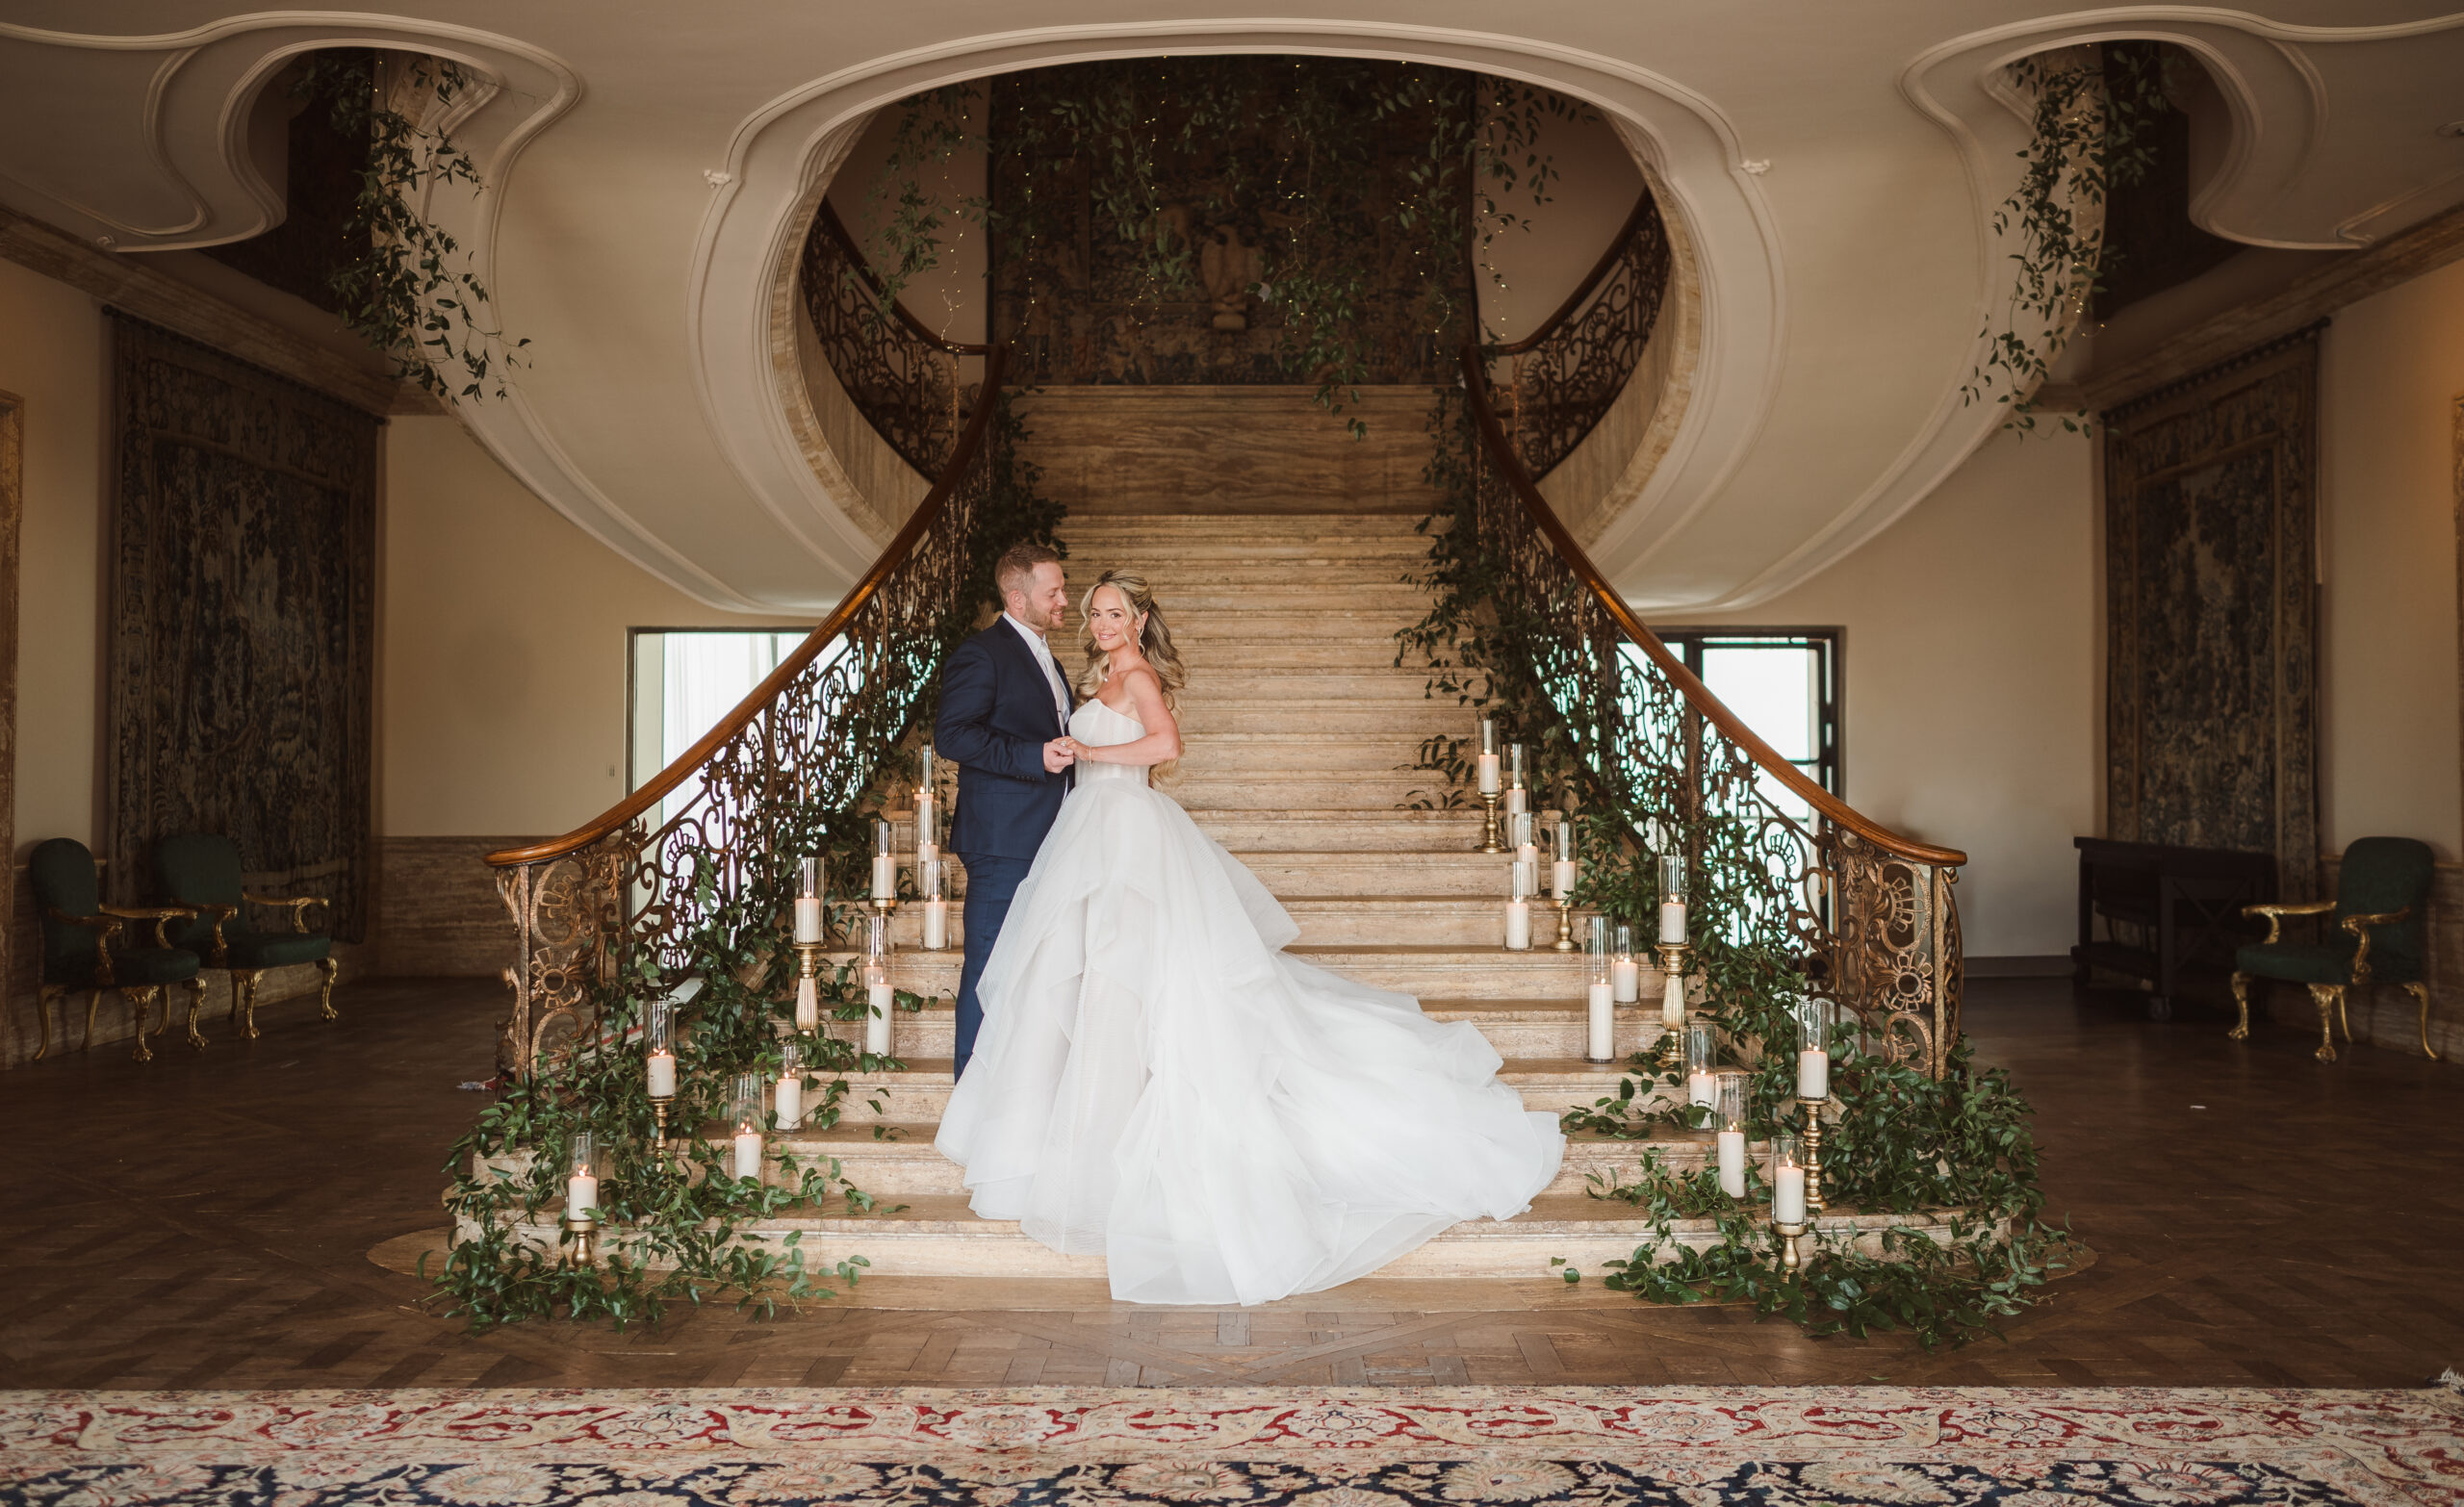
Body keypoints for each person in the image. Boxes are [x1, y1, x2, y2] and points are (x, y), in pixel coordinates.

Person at [936, 569, 1564, 1305]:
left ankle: (1103, 1165)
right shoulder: (1098, 677)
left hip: (1126, 834)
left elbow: (1165, 744)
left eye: (1115, 613)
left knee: (1119, 982)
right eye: (1096, 613)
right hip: (1089, 832)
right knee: (1083, 983)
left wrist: (1095, 756)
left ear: (1139, 620)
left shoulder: (1137, 677)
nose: (1101, 624)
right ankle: (1079, 1147)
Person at [933, 544, 1076, 1081]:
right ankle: (970, 1093)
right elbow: (953, 735)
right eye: (1053, 592)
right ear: (1018, 599)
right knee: (989, 968)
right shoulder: (983, 653)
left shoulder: (1048, 659)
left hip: (1049, 835)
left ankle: (1013, 1087)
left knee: (1030, 968)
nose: (1064, 600)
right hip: (1002, 840)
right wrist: (1033, 756)